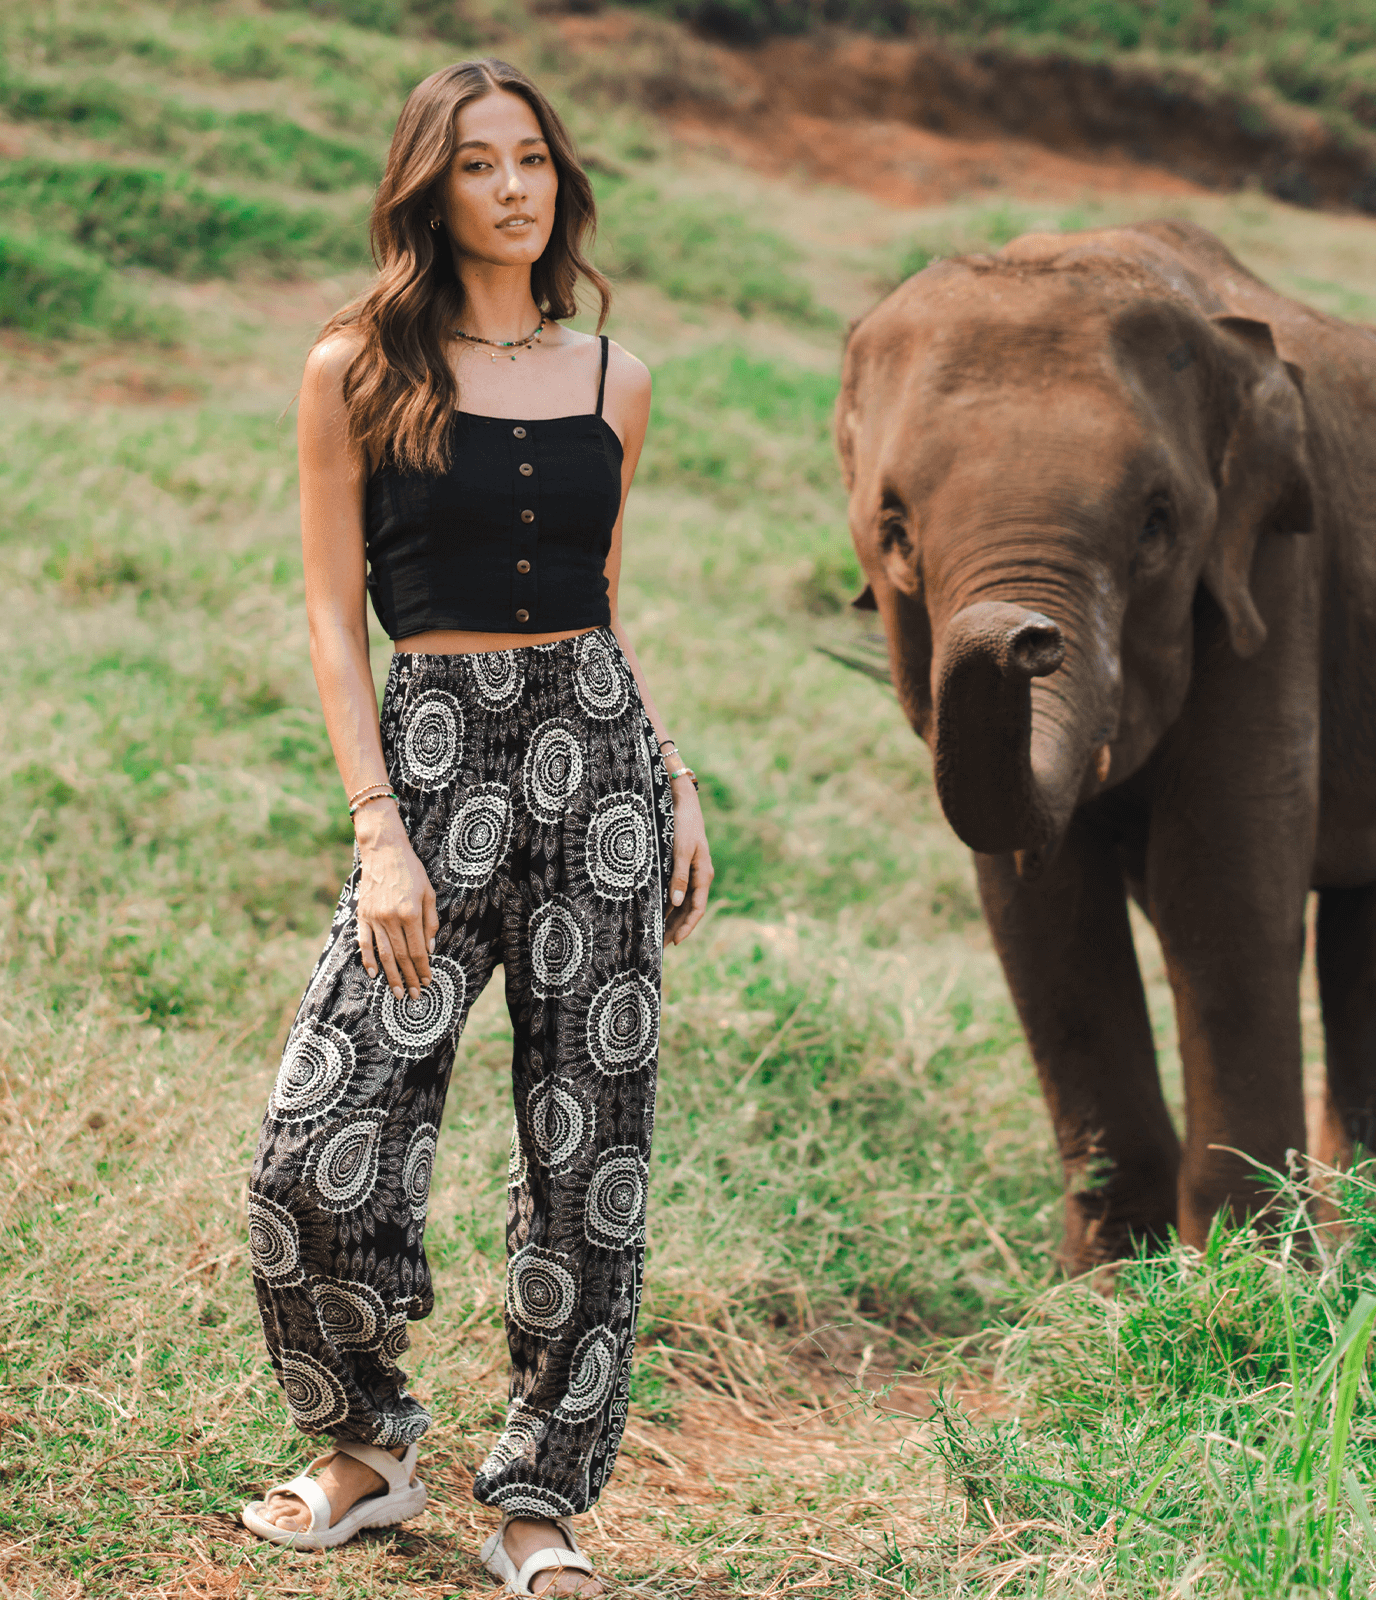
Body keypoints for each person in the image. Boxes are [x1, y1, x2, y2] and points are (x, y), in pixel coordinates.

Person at [237, 57, 712, 1596]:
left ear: (562, 180)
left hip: (600, 772)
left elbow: (606, 604)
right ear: (428, 191)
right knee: (315, 1149)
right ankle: (366, 1445)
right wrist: (378, 827)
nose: (513, 187)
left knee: (590, 1152)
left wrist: (673, 777)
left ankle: (539, 1505)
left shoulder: (615, 377)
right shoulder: (355, 368)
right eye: (477, 163)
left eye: (533, 160)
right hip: (434, 768)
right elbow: (332, 616)